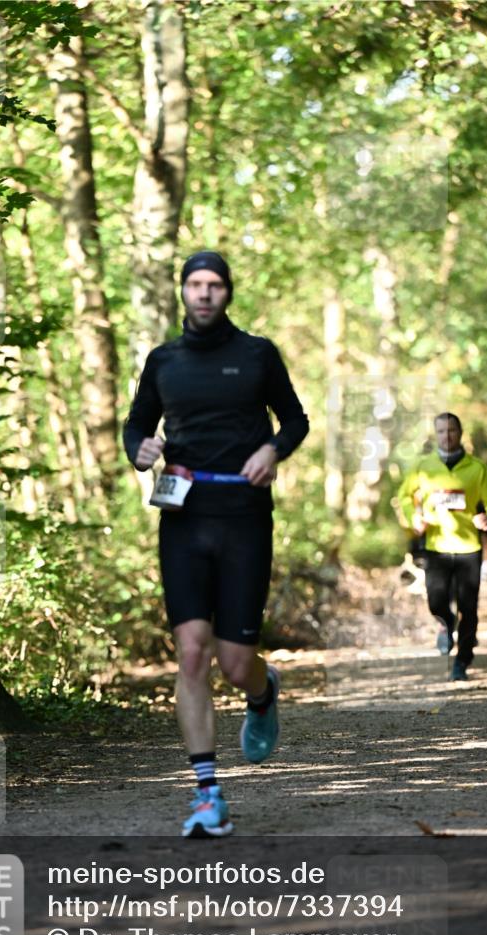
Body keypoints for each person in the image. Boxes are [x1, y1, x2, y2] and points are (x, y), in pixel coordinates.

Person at [123, 250, 309, 837]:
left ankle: (263, 690)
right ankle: (207, 794)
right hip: (183, 516)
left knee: (234, 663)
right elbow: (136, 425)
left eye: (214, 286)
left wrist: (272, 450)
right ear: (183, 292)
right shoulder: (164, 361)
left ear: (227, 293)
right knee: (192, 653)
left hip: (244, 518)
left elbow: (296, 420)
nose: (204, 294)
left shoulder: (256, 355)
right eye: (194, 285)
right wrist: (141, 450)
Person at [396, 413, 487, 681]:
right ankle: (446, 623)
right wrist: (414, 517)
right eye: (441, 431)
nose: (447, 435)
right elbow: (403, 496)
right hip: (436, 546)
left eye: (452, 430)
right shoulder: (423, 467)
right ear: (436, 435)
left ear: (460, 432)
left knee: (469, 606)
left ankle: (462, 662)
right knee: (437, 603)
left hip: (468, 547)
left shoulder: (477, 469)